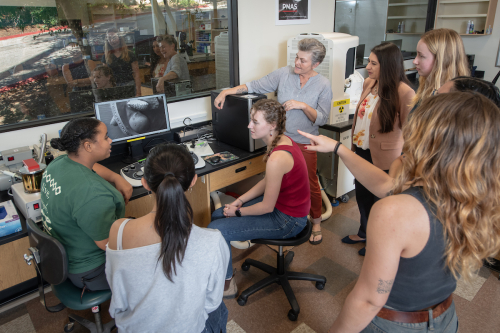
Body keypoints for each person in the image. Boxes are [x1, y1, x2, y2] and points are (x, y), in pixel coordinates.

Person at [299, 92, 500, 333]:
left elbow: (370, 300)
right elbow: (386, 185)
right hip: (444, 317)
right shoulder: (474, 196)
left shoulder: (394, 212)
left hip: (393, 324)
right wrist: (339, 148)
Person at [213, 38, 333, 245]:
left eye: (303, 61)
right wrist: (227, 91)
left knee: (310, 184)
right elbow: (255, 85)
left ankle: (316, 222)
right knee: (280, 183)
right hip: (283, 139)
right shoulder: (284, 74)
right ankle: (284, 214)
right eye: (297, 57)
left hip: (305, 142)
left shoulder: (323, 84)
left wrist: (302, 106)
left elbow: (322, 118)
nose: (297, 63)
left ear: (315, 64)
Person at [106, 144, 229, 333]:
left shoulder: (119, 231)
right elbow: (211, 302)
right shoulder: (213, 241)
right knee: (220, 310)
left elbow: (119, 300)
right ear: (194, 180)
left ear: (145, 183)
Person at [208, 99, 310, 299]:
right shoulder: (282, 140)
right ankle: (225, 273)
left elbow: (266, 206)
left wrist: (237, 211)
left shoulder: (278, 156)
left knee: (216, 229)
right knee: (217, 214)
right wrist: (240, 201)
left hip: (288, 221)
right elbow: (267, 182)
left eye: (255, 122)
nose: (249, 126)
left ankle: (227, 284)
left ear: (272, 126)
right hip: (284, 210)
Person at [41, 118, 133, 291]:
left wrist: (116, 177)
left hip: (65, 258)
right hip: (92, 270)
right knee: (159, 259)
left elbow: (93, 167)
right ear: (88, 146)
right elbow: (108, 244)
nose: (110, 141)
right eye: (106, 137)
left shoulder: (58, 163)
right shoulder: (92, 194)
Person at [346, 42, 414, 256]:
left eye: (373, 63)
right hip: (362, 151)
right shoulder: (369, 83)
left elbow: (411, 131)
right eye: (369, 62)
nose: (368, 67)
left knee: (381, 203)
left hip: (386, 157)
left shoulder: (405, 92)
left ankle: (377, 242)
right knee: (362, 195)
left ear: (388, 65)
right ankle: (364, 231)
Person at [410, 28, 469, 113]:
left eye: (421, 56)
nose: (415, 61)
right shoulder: (426, 89)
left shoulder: (452, 104)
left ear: (442, 60)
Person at [102, 28, 142, 96]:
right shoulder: (105, 57)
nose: (112, 40)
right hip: (114, 86)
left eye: (114, 37)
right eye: (109, 38)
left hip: (129, 85)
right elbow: (105, 76)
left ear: (120, 38)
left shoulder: (130, 54)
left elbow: (137, 75)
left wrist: (138, 92)